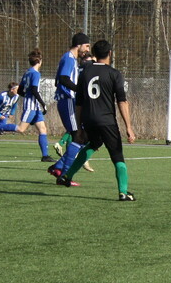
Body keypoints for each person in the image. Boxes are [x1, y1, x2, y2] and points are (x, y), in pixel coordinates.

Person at [57, 39, 137, 201]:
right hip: (106, 121)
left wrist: (79, 127)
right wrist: (129, 127)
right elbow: (122, 102)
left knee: (94, 143)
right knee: (117, 155)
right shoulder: (114, 74)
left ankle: (67, 176)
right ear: (110, 53)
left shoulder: (85, 72)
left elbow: (79, 103)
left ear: (94, 53)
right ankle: (123, 192)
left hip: (88, 119)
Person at [48, 33, 93, 178]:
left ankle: (58, 168)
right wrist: (79, 90)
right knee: (78, 137)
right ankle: (62, 173)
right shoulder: (68, 58)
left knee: (81, 137)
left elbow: (58, 81)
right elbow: (63, 79)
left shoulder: (71, 59)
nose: (87, 49)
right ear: (78, 45)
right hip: (67, 101)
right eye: (86, 46)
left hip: (68, 100)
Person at [14, 49, 53, 162]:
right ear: (39, 61)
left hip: (34, 106)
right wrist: (43, 103)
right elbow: (35, 90)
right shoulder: (35, 73)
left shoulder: (27, 72)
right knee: (21, 129)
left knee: (42, 128)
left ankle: (45, 156)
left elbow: (20, 90)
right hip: (31, 106)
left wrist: (28, 96)